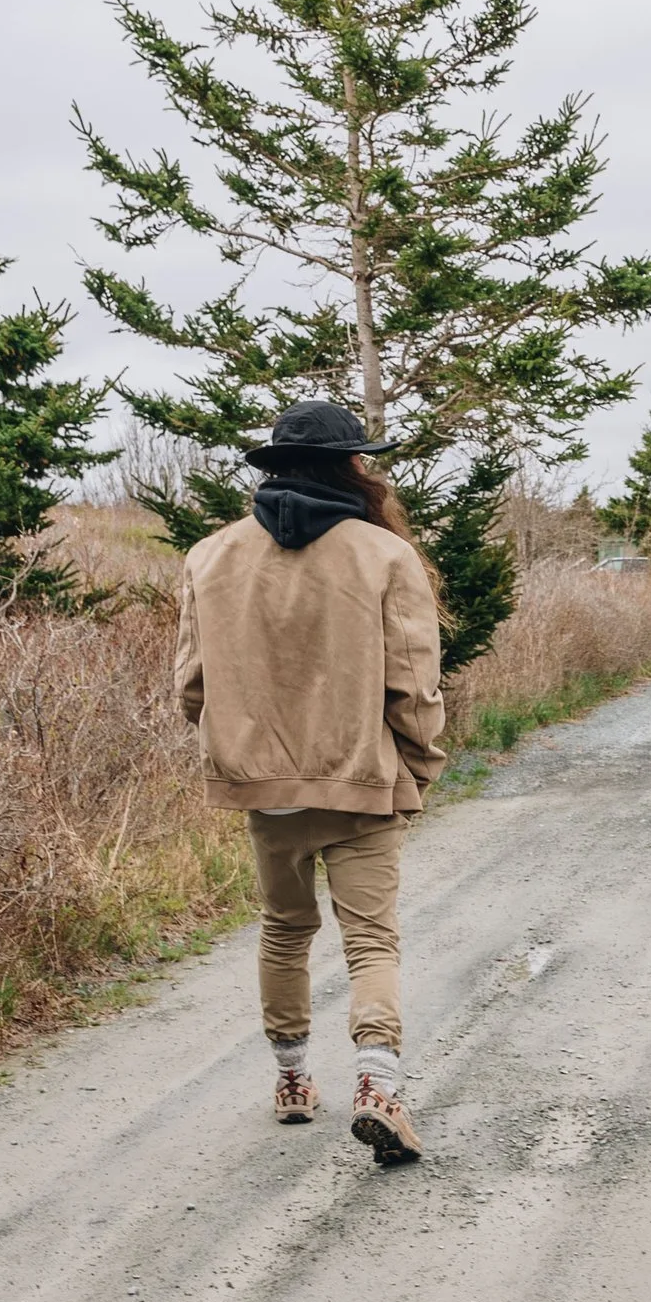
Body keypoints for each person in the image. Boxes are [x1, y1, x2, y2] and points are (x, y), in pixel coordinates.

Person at [174, 399, 446, 1163]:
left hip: (263, 787)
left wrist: (238, 750)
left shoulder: (210, 556)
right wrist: (419, 765)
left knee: (285, 929)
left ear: (275, 469)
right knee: (370, 940)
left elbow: (189, 688)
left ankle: (293, 1082)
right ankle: (378, 1088)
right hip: (362, 778)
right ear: (352, 466)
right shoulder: (384, 556)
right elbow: (413, 685)